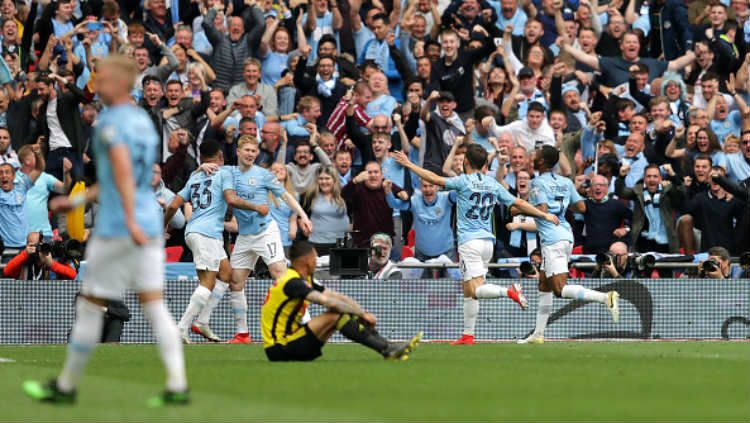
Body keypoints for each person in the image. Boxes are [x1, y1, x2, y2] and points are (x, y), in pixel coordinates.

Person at [22, 55, 188, 406]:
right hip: (145, 221)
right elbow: (120, 177)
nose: (98, 81)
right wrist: (77, 202)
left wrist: (126, 221)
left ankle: (66, 387)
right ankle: (177, 384)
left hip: (119, 226)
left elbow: (123, 173)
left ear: (122, 83)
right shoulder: (145, 121)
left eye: (105, 77)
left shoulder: (111, 123)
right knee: (153, 303)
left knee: (91, 302)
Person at [391, 145, 560, 345]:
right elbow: (518, 203)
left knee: (477, 289)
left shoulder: (463, 181)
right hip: (487, 243)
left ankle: (509, 291)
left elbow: (434, 179)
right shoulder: (492, 183)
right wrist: (543, 214)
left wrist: (409, 163)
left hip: (469, 242)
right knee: (468, 289)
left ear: (466, 163)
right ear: (485, 164)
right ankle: (468, 334)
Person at [193, 135, 313, 344]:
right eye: (247, 150)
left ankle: (307, 324)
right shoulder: (227, 172)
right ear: (238, 152)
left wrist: (303, 215)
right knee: (236, 281)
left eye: (254, 151)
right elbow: (201, 175)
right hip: (245, 237)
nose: (251, 154)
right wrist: (201, 167)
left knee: (280, 275)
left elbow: (286, 196)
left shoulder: (264, 175)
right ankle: (242, 334)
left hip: (266, 232)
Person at [163, 139, 269, 343]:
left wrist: (163, 226)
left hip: (195, 232)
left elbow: (173, 205)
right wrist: (256, 207)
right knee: (207, 283)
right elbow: (231, 199)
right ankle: (181, 327)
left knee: (226, 273)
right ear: (221, 157)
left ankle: (202, 322)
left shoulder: (194, 177)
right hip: (206, 235)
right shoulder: (225, 173)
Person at [518, 146, 620, 345]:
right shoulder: (565, 182)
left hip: (552, 238)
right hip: (566, 234)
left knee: (559, 289)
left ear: (541, 162)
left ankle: (605, 297)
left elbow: (543, 211)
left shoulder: (537, 182)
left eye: (535, 156)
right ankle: (538, 334)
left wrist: (519, 211)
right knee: (544, 285)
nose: (532, 157)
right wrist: (562, 204)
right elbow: (581, 207)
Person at [261, 240, 421, 361]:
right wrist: (362, 315)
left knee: (341, 312)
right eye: (315, 258)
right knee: (336, 314)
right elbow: (328, 303)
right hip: (279, 348)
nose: (317, 262)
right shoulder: (292, 282)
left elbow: (336, 296)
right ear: (307, 261)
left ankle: (388, 347)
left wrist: (362, 312)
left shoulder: (303, 278)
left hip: (293, 342)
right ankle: (387, 349)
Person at [2, 231, 77, 280]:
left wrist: (52, 264)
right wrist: (25, 254)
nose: (37, 249)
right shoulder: (23, 260)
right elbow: (6, 272)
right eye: (33, 245)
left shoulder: (51, 258)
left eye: (39, 245)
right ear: (27, 246)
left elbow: (74, 276)